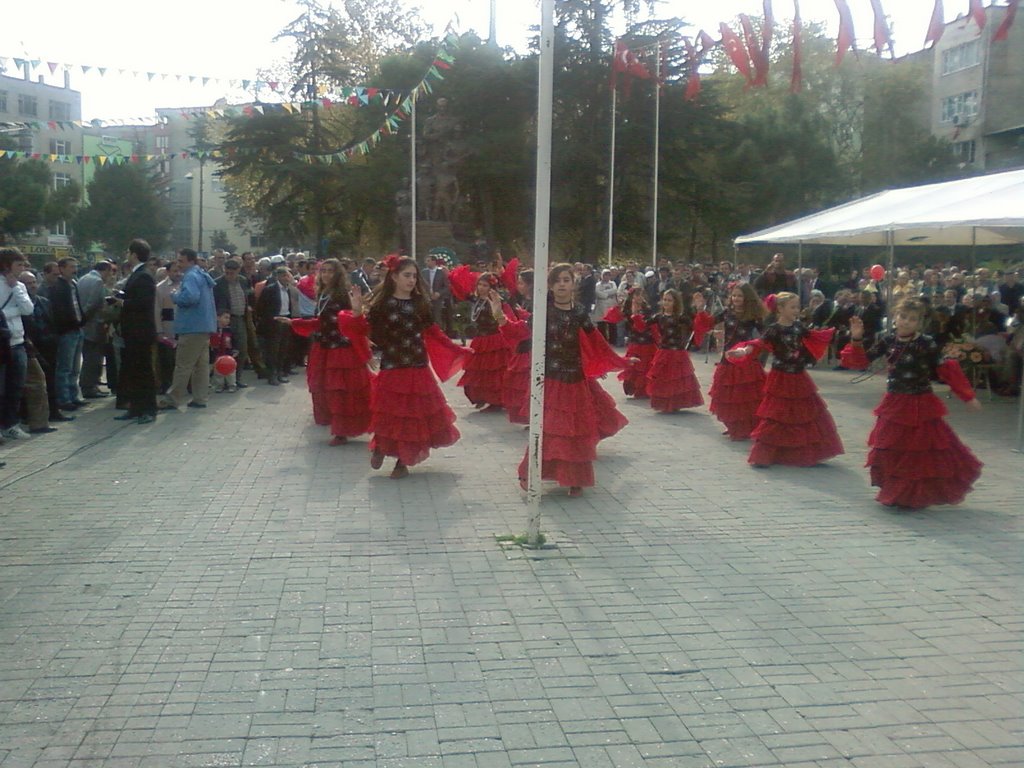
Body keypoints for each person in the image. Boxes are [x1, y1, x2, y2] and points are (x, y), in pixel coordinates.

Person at [500, 263, 632, 497]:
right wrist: (500, 320)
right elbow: (522, 331)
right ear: (550, 285)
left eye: (566, 280)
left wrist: (621, 361)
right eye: (558, 280)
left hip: (575, 379)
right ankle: (531, 473)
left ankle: (576, 479)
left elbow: (596, 341)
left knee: (576, 430)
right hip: (551, 379)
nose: (562, 284)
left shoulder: (580, 312)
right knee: (549, 428)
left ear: (573, 284)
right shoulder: (543, 310)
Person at [840, 298, 982, 508]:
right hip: (894, 403)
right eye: (903, 317)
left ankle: (910, 494)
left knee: (916, 452)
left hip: (920, 405)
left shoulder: (926, 343)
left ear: (919, 323)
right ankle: (894, 489)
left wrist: (967, 396)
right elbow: (860, 362)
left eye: (912, 319)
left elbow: (946, 369)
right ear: (895, 317)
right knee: (889, 447)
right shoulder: (888, 340)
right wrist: (857, 339)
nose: (906, 322)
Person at [343, 255, 472, 479]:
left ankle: (403, 460)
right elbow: (362, 330)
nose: (412, 280)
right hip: (393, 365)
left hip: (418, 365)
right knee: (390, 413)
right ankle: (381, 447)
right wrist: (356, 313)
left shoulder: (420, 303)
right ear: (394, 277)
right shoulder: (382, 304)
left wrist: (458, 349)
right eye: (407, 275)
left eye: (414, 275)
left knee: (414, 416)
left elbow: (433, 331)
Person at [726, 292, 843, 467]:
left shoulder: (798, 327)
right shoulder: (774, 329)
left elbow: (812, 337)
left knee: (804, 412)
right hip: (780, 377)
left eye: (798, 307)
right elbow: (759, 343)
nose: (797, 310)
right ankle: (763, 455)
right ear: (780, 309)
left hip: (799, 376)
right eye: (793, 307)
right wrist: (743, 351)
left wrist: (830, 334)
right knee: (775, 414)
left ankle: (803, 452)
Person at [288, 259, 372, 445]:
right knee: (325, 388)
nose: (325, 274)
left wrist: (357, 312)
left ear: (338, 274)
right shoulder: (323, 294)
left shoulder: (342, 295)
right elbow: (321, 322)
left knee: (341, 391)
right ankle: (338, 428)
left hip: (340, 350)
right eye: (323, 271)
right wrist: (295, 323)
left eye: (330, 271)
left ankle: (342, 431)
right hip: (325, 347)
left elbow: (353, 321)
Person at [708, 283, 767, 440]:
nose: (736, 298)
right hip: (727, 358)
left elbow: (764, 336)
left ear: (747, 297)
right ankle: (733, 424)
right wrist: (702, 312)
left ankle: (745, 427)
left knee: (744, 396)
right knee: (726, 395)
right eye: (734, 295)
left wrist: (750, 347)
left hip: (744, 359)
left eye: (740, 295)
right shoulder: (727, 312)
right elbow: (708, 322)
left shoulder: (753, 315)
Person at [163, 248, 217, 410]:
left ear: (191, 261)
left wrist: (175, 295)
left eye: (181, 261)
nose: (178, 264)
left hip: (191, 326)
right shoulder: (201, 274)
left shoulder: (191, 276)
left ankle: (172, 398)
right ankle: (200, 398)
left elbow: (191, 297)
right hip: (204, 325)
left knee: (183, 365)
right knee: (201, 366)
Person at [115, 240, 159, 424]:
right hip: (131, 331)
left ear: (134, 254)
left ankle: (148, 409)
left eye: (129, 252)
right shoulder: (136, 274)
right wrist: (120, 296)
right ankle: (135, 407)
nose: (127, 255)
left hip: (140, 331)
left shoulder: (144, 276)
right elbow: (134, 296)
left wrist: (123, 302)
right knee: (132, 370)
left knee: (143, 371)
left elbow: (144, 302)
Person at [457, 273, 512, 411]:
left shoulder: (495, 300)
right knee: (477, 372)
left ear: (491, 287)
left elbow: (505, 316)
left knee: (493, 373)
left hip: (494, 339)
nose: (481, 288)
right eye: (479, 284)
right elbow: (459, 289)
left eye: (485, 285)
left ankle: (495, 401)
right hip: (480, 340)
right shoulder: (476, 299)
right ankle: (481, 397)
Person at [645, 289, 704, 413]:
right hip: (663, 351)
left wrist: (699, 310)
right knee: (663, 378)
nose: (666, 302)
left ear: (675, 303)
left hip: (677, 352)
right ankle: (664, 402)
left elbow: (696, 326)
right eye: (665, 300)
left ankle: (676, 402)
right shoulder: (658, 316)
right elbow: (642, 326)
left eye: (669, 300)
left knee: (676, 379)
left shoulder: (681, 317)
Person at [0, 248, 36, 440]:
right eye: (18, 264)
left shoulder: (19, 286)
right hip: (2, 343)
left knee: (16, 387)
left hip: (18, 342)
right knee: (2, 389)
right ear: (7, 265)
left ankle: (11, 424)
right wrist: (14, 312)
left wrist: (16, 287)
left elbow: (28, 309)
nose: (22, 268)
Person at [49, 257, 86, 411]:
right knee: (64, 367)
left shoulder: (74, 284)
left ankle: (73, 396)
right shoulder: (58, 286)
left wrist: (82, 321)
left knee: (75, 367)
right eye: (71, 267)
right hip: (67, 331)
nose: (74, 269)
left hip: (78, 329)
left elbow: (77, 305)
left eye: (75, 266)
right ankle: (63, 399)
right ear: (62, 268)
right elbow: (59, 311)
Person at [254, 266, 300, 385]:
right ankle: (272, 375)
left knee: (283, 349)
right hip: (274, 323)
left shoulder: (289, 289)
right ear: (278, 276)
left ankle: (280, 372)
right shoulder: (270, 289)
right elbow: (260, 307)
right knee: (273, 351)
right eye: (284, 276)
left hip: (286, 320)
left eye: (288, 276)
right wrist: (269, 320)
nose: (287, 278)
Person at [76, 260, 114, 398]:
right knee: (93, 358)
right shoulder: (97, 281)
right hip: (95, 324)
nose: (110, 276)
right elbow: (93, 303)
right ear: (106, 270)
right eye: (110, 272)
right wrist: (84, 318)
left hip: (85, 325)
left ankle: (90, 385)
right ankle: (89, 387)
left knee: (88, 356)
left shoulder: (83, 279)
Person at [213, 258, 252, 389]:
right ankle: (222, 381)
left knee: (241, 349)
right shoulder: (218, 283)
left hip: (240, 319)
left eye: (232, 273)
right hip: (225, 320)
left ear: (238, 271)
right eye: (227, 272)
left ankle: (237, 378)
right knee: (224, 350)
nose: (229, 275)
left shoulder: (243, 280)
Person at [502, 269, 534, 425]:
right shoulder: (524, 300)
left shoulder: (536, 302)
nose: (519, 286)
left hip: (531, 348)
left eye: (521, 282)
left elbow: (527, 326)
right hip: (524, 345)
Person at [209, 311, 238, 394]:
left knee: (231, 372)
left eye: (229, 318)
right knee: (218, 371)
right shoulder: (213, 330)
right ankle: (219, 385)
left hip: (228, 355)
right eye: (225, 317)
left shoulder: (230, 330)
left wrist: (235, 350)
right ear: (218, 318)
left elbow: (234, 341)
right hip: (217, 354)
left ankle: (232, 385)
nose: (227, 320)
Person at [422, 254, 451, 327]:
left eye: (428, 261)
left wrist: (439, 293)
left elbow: (447, 287)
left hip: (438, 299)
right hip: (426, 298)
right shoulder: (424, 272)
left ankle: (438, 333)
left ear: (434, 262)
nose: (426, 262)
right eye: (426, 261)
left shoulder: (441, 272)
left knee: (437, 317)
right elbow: (421, 284)